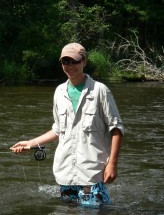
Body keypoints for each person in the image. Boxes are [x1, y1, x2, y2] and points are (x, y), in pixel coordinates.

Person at [10, 42, 124, 206]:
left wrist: (112, 164)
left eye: (75, 61)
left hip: (93, 172)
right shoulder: (59, 92)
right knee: (68, 212)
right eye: (65, 61)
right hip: (66, 172)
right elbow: (58, 130)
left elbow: (116, 129)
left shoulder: (100, 90)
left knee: (97, 213)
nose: (70, 66)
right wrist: (30, 143)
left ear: (84, 61)